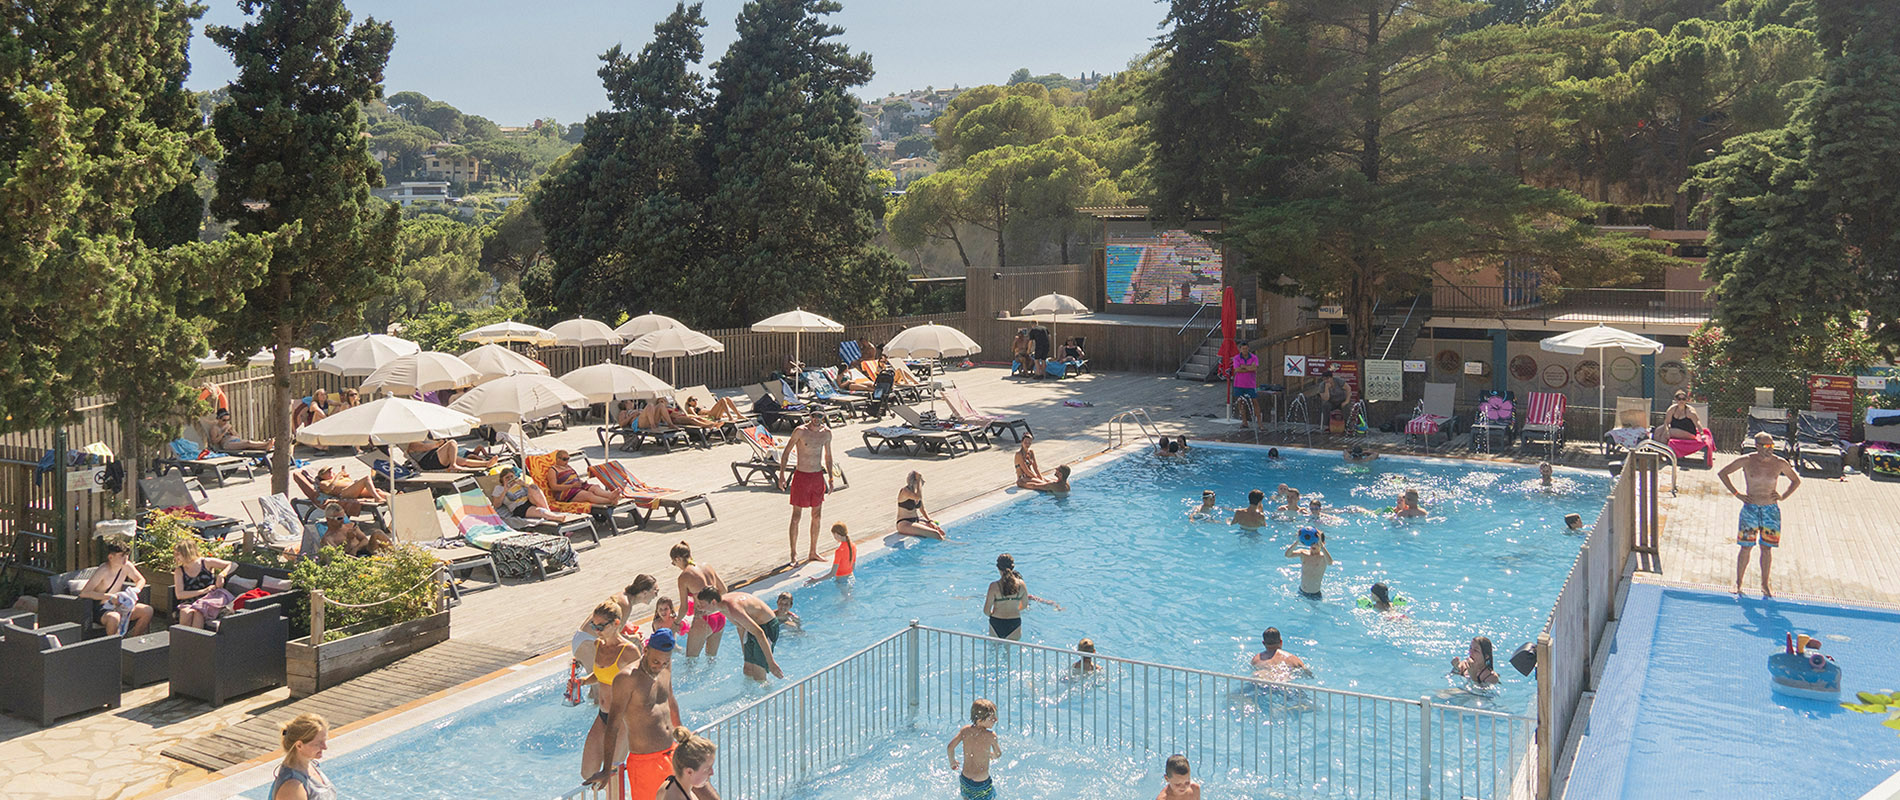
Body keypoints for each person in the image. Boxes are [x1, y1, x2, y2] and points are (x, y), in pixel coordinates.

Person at [598, 630, 684, 800]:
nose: (660, 666)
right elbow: (613, 725)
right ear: (645, 650)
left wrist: (683, 737)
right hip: (646, 763)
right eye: (655, 661)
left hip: (672, 754)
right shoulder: (627, 679)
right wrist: (607, 769)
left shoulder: (666, 666)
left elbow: (671, 701)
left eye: (665, 662)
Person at [1718, 432, 1803, 596]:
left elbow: (1796, 480)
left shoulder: (1779, 463)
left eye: (1771, 445)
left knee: (1766, 548)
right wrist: (1737, 494)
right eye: (1765, 446)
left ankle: (1765, 584)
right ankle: (1738, 582)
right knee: (1745, 547)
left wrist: (1783, 496)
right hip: (1750, 509)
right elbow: (1723, 473)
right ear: (1757, 446)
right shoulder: (1747, 460)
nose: (1769, 449)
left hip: (1770, 511)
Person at [579, 600, 640, 792]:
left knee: (612, 773)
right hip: (603, 715)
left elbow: (644, 683)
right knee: (588, 773)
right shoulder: (599, 645)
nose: (596, 630)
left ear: (615, 623)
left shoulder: (629, 651)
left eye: (600, 626)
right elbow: (600, 675)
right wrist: (582, 682)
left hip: (622, 719)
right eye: (593, 625)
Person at [778, 414, 836, 564]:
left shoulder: (826, 433)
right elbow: (786, 453)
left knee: (816, 516)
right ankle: (793, 554)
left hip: (817, 476)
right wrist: (782, 475)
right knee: (796, 516)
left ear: (823, 416)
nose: (817, 419)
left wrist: (830, 477)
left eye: (820, 416)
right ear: (810, 416)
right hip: (801, 476)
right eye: (814, 416)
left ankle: (813, 552)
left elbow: (828, 457)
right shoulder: (800, 431)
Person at [697, 587, 785, 681]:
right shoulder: (721, 605)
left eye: (702, 604)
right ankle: (750, 693)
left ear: (713, 602)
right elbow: (740, 626)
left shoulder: (733, 608)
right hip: (751, 626)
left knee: (759, 674)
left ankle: (768, 692)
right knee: (747, 669)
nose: (699, 607)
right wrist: (745, 652)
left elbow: (759, 633)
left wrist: (771, 663)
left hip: (767, 626)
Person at [78, 542, 152, 636]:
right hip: (102, 608)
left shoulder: (127, 566)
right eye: (122, 556)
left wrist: (135, 590)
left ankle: (134, 641)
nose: (125, 559)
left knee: (147, 610)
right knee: (114, 617)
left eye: (127, 556)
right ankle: (115, 645)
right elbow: (84, 593)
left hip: (120, 604)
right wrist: (109, 597)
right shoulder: (103, 570)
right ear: (111, 557)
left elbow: (141, 580)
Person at [670, 542, 727, 658]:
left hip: (703, 619)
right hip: (720, 617)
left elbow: (684, 608)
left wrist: (675, 624)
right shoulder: (707, 566)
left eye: (674, 563)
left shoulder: (684, 577)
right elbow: (724, 590)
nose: (675, 565)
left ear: (678, 559)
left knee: (690, 660)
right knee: (711, 660)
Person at [983, 553, 1059, 640]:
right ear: (1012, 567)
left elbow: (986, 611)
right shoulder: (1021, 584)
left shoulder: (994, 586)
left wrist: (994, 613)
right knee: (1009, 651)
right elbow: (1024, 606)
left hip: (996, 621)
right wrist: (1013, 609)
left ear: (998, 568)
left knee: (993, 651)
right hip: (1014, 622)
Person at [172, 539, 237, 630]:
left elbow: (233, 564)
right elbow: (179, 595)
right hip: (190, 600)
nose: (175, 557)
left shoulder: (206, 562)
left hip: (209, 599)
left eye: (178, 554)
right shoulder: (180, 571)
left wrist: (222, 575)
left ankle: (196, 640)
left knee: (198, 612)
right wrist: (202, 591)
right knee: (186, 613)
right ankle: (184, 640)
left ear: (187, 552)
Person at [269, 713, 336, 800]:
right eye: (318, 743)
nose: (325, 747)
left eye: (324, 740)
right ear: (299, 745)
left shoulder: (310, 765)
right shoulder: (292, 787)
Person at [491, 466, 589, 524]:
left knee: (533, 487)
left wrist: (524, 484)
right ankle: (555, 517)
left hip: (530, 500)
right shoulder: (499, 489)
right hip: (520, 507)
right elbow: (496, 505)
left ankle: (549, 514)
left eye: (511, 477)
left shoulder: (519, 483)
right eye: (507, 478)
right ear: (502, 480)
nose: (510, 479)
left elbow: (534, 491)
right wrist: (505, 490)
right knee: (540, 511)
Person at [946, 699, 1002, 800]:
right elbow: (998, 753)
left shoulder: (965, 731)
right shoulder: (991, 736)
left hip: (965, 780)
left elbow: (950, 747)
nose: (996, 719)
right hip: (981, 784)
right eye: (992, 718)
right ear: (980, 720)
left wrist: (952, 762)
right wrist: (992, 755)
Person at [657, 726, 722, 800]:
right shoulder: (676, 797)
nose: (712, 773)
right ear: (689, 772)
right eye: (707, 769)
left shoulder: (670, 784)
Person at [544, 450, 622, 506]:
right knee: (587, 495)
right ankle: (609, 501)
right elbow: (554, 487)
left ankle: (610, 495)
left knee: (595, 487)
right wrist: (571, 486)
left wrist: (580, 482)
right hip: (566, 492)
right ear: (558, 459)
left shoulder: (567, 467)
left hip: (577, 486)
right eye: (564, 459)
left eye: (568, 459)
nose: (567, 461)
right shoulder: (553, 470)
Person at [317, 501, 391, 557]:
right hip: (355, 559)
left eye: (344, 517)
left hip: (367, 550)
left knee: (377, 533)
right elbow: (340, 557)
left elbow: (365, 540)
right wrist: (349, 540)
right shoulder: (328, 539)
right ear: (329, 519)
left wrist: (356, 549)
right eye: (339, 518)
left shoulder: (350, 526)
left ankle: (396, 555)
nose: (343, 520)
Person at [1284, 527, 1333, 599]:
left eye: (1317, 543)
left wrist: (1322, 546)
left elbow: (1330, 562)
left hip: (1315, 595)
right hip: (1301, 591)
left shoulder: (1323, 557)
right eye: (1312, 542)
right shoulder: (1303, 553)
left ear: (1322, 543)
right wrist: (1297, 541)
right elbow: (1287, 555)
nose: (1314, 545)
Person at [896, 471, 947, 539]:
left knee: (939, 531)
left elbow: (922, 509)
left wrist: (930, 521)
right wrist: (918, 480)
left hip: (916, 521)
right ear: (916, 482)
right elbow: (918, 497)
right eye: (921, 480)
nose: (923, 482)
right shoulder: (905, 491)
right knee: (935, 534)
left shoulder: (916, 493)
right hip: (905, 523)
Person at [404, 437, 496, 471]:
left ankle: (486, 464)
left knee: (463, 461)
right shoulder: (413, 443)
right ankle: (453, 465)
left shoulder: (424, 439)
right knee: (452, 442)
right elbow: (426, 448)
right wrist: (439, 444)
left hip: (435, 458)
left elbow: (433, 446)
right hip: (429, 461)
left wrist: (440, 444)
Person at [316, 466, 386, 503]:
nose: (331, 472)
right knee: (366, 479)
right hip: (344, 493)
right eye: (328, 472)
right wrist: (338, 476)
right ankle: (378, 499)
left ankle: (393, 499)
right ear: (322, 476)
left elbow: (350, 483)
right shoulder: (323, 483)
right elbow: (330, 488)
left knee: (378, 491)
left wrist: (346, 477)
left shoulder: (338, 478)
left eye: (330, 471)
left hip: (352, 491)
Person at [1231, 341, 1260, 429]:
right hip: (1239, 383)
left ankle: (1259, 423)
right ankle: (1244, 422)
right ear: (1240, 349)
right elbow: (1237, 370)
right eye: (1243, 349)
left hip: (1251, 384)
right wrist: (1249, 368)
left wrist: (1244, 367)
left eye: (1246, 349)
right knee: (1241, 402)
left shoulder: (1254, 357)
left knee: (1255, 402)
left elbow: (1255, 368)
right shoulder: (1236, 358)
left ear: (1248, 348)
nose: (1245, 350)